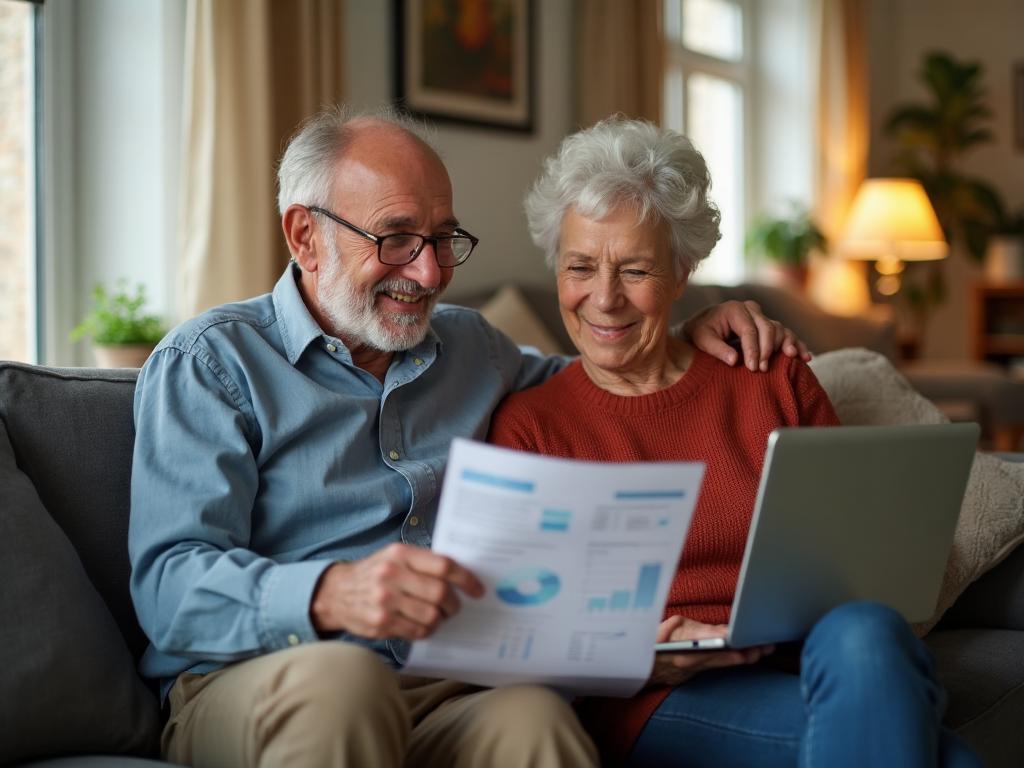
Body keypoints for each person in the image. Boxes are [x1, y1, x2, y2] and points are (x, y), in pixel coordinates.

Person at [128, 104, 809, 768]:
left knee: (533, 719)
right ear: (305, 236)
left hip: (439, 690)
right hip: (256, 684)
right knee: (343, 685)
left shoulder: (470, 346)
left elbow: (601, 377)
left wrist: (685, 333)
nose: (429, 274)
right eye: (396, 237)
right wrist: (332, 592)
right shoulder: (214, 365)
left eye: (441, 239)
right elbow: (167, 585)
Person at [488, 117, 982, 767]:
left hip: (817, 657)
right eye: (580, 266)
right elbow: (521, 627)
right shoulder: (531, 427)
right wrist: (645, 651)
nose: (603, 299)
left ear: (682, 271)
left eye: (634, 269)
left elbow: (855, 564)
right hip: (656, 695)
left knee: (867, 630)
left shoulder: (769, 377)